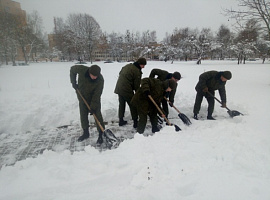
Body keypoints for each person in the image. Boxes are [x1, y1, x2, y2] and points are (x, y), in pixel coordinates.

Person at [70, 64, 105, 142]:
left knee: (97, 115)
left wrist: (92, 107)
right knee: (83, 114)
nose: (94, 77)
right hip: (82, 96)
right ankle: (86, 132)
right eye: (93, 75)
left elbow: (97, 95)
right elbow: (72, 70)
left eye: (96, 76)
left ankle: (101, 134)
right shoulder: (82, 69)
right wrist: (73, 82)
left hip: (93, 99)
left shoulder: (100, 80)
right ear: (89, 72)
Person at [114, 57, 147, 128]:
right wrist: (138, 95)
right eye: (143, 65)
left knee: (122, 104)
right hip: (127, 89)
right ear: (139, 64)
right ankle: (135, 122)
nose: (143, 67)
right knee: (133, 104)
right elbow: (136, 86)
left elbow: (120, 73)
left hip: (119, 88)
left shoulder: (127, 66)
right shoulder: (137, 71)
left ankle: (121, 120)